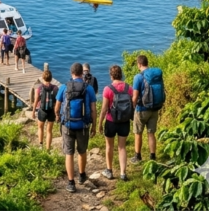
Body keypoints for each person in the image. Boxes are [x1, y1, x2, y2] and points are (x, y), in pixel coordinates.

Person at [56, 63, 97, 193]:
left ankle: (71, 183)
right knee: (82, 151)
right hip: (83, 125)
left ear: (71, 73)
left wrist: (58, 116)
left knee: (69, 153)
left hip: (67, 125)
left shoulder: (64, 87)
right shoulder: (89, 88)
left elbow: (57, 107)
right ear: (82, 73)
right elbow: (93, 109)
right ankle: (81, 175)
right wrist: (94, 125)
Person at [96, 65, 133, 181]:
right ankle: (123, 173)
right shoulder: (129, 88)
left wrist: (99, 123)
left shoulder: (108, 89)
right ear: (121, 74)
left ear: (111, 75)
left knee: (109, 146)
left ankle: (109, 170)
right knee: (122, 147)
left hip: (111, 121)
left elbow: (104, 109)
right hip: (124, 122)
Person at [131, 54, 164, 165]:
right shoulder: (155, 75)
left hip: (141, 109)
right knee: (151, 134)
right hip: (155, 108)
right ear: (147, 63)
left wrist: (133, 107)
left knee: (138, 133)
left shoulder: (138, 77)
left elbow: (135, 97)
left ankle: (138, 156)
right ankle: (152, 156)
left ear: (139, 64)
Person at [32, 70, 57, 151]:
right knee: (49, 131)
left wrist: (33, 112)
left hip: (42, 110)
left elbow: (36, 100)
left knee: (40, 128)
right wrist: (57, 113)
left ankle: (40, 145)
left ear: (43, 78)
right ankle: (48, 149)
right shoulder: (55, 88)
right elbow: (57, 102)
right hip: (51, 111)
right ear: (51, 78)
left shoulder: (39, 88)